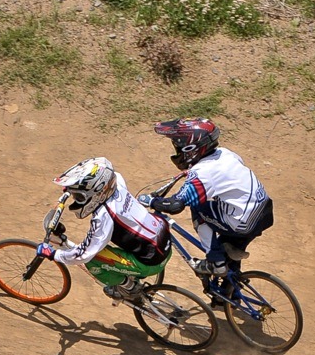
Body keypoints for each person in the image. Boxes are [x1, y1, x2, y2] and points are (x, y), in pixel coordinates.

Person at [140, 118, 273, 288]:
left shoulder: (202, 173)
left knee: (198, 206)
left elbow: (175, 205)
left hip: (243, 222)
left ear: (190, 148)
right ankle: (228, 293)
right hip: (263, 211)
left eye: (178, 146)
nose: (177, 150)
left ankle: (215, 262)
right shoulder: (225, 153)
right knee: (229, 249)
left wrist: (152, 201)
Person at [35, 157, 171, 302]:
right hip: (162, 242)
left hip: (151, 262)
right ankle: (129, 275)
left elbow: (84, 255)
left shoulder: (104, 217)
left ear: (98, 193)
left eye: (78, 196)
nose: (76, 199)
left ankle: (130, 288)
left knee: (93, 260)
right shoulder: (116, 182)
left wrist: (54, 255)